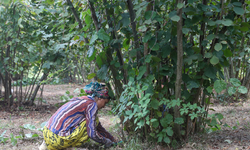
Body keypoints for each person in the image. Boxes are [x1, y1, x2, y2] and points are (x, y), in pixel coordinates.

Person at [39, 82, 116, 150]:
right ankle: (67, 147)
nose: (104, 106)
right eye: (105, 102)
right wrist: (105, 141)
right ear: (100, 98)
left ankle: (47, 145)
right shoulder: (92, 105)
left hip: (47, 133)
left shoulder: (83, 100)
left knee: (92, 121)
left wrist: (111, 138)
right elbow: (92, 133)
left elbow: (99, 128)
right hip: (57, 140)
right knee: (92, 123)